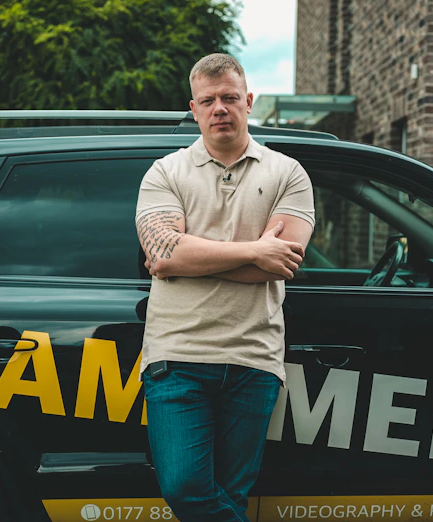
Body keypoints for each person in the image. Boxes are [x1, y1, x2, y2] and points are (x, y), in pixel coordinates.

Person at [135, 53, 315, 522]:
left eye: (230, 98)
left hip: (253, 357)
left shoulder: (288, 173)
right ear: (193, 108)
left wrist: (190, 257)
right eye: (208, 100)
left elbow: (282, 262)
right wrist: (254, 250)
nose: (220, 108)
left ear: (248, 102)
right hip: (176, 357)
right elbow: (163, 253)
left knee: (232, 498)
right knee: (185, 487)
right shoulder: (165, 173)